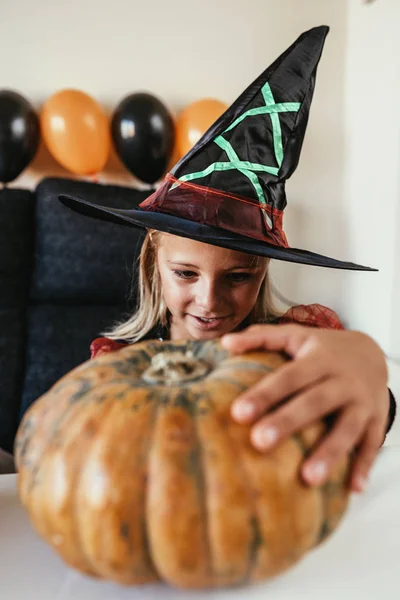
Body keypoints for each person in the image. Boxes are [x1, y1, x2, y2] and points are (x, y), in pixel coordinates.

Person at [59, 26, 396, 495]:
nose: (209, 300)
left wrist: (372, 374)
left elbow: (363, 421)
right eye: (185, 273)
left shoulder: (298, 350)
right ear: (154, 260)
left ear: (264, 270)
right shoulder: (118, 369)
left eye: (238, 276)